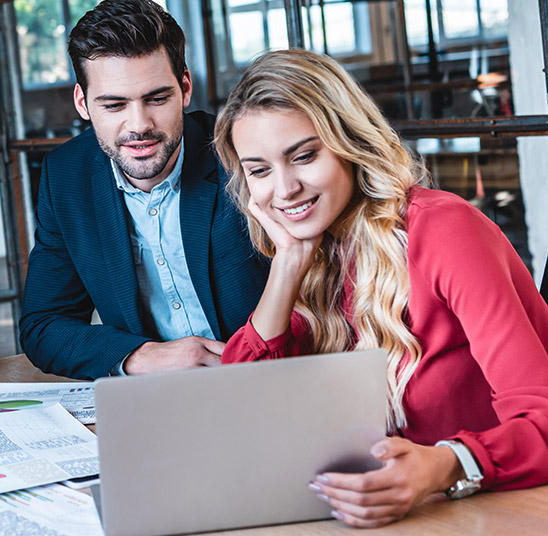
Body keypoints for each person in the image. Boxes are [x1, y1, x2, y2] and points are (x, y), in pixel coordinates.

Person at [215, 49, 548, 528]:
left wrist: (443, 465)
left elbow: (541, 417)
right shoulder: (312, 253)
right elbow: (238, 409)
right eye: (260, 170)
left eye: (304, 156)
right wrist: (287, 265)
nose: (284, 189)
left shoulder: (443, 229)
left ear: (349, 142)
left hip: (491, 514)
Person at [18, 0, 269, 379]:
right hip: (157, 398)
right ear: (83, 103)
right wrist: (141, 356)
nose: (139, 126)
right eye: (114, 105)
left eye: (156, 98)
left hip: (270, 382)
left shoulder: (242, 154)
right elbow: (43, 325)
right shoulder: (67, 177)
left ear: (184, 88)